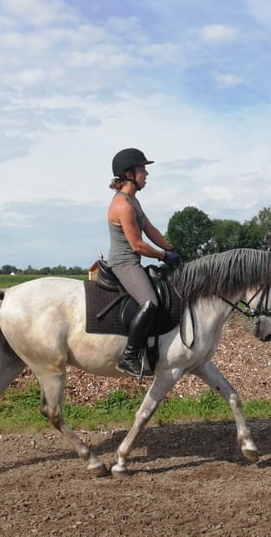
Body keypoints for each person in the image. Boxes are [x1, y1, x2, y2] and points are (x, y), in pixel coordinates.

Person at [107, 147, 182, 378]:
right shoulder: (123, 205)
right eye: (142, 170)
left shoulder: (134, 201)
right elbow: (137, 245)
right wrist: (162, 255)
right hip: (124, 263)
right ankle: (128, 357)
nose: (146, 174)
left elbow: (150, 229)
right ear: (129, 174)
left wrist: (172, 249)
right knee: (149, 302)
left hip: (132, 261)